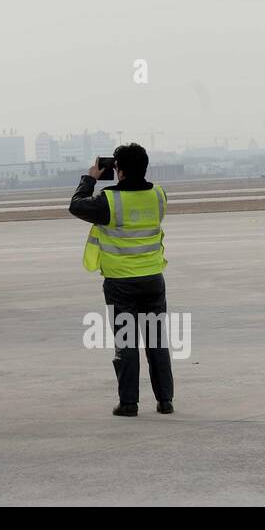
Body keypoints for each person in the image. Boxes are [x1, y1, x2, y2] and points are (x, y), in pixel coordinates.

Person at [69, 142, 174, 417]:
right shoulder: (159, 196)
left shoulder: (109, 200)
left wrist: (90, 178)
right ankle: (165, 401)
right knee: (157, 342)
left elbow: (76, 206)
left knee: (126, 343)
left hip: (121, 284)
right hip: (153, 278)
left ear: (120, 170)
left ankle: (129, 403)